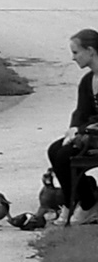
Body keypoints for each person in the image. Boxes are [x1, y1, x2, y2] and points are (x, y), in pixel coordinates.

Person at [50, 29, 98, 219]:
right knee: (55, 150)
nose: (73, 58)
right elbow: (81, 112)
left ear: (91, 51)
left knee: (63, 156)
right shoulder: (88, 80)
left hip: (95, 134)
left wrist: (84, 129)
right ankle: (84, 198)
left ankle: (86, 205)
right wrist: (74, 129)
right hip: (92, 134)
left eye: (76, 52)